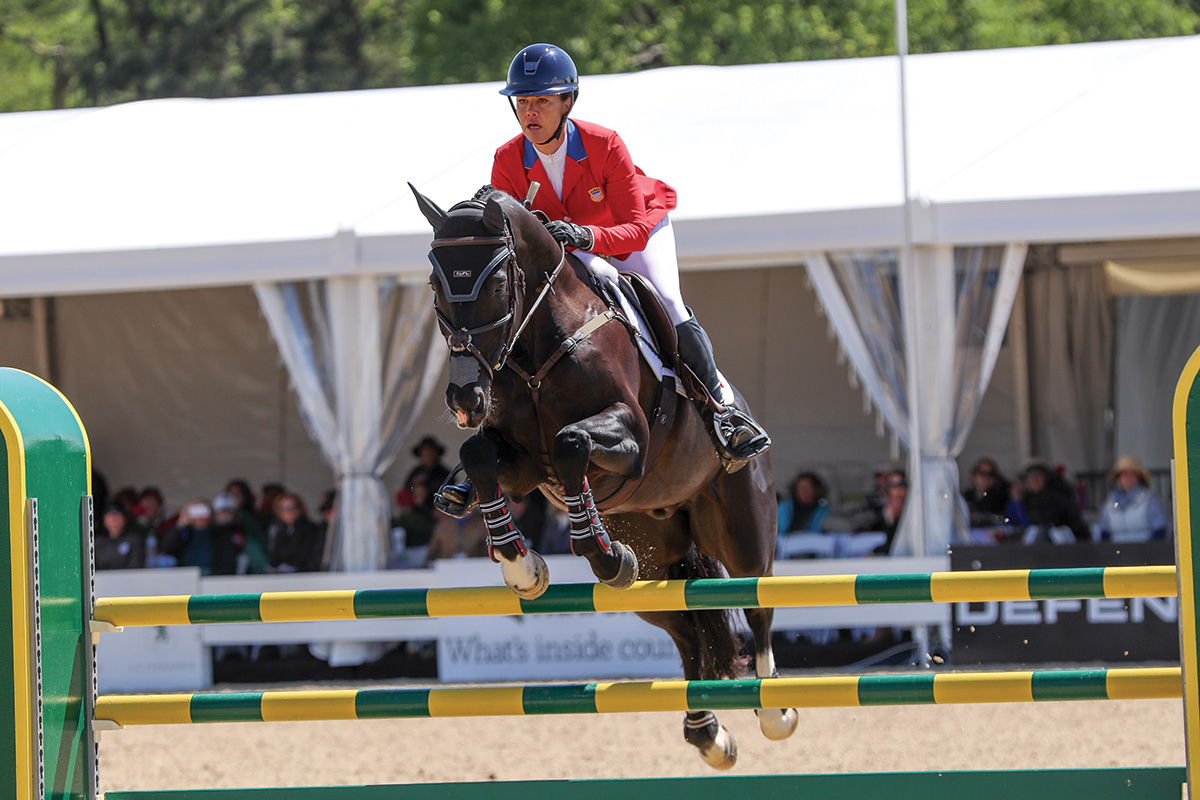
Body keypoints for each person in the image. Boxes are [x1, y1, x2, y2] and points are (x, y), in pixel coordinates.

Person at [490, 42, 769, 468]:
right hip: (572, 251)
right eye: (522, 101)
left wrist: (586, 235)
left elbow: (634, 229)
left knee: (668, 302)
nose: (530, 111)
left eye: (542, 101)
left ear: (567, 101)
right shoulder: (507, 159)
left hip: (634, 233)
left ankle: (722, 410)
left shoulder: (603, 143)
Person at [1005, 459, 1090, 543]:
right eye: (1030, 477)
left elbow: (1040, 522)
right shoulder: (1028, 498)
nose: (1034, 481)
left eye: (1037, 477)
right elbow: (1010, 520)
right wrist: (1018, 501)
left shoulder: (1056, 497)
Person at [1098, 455, 1168, 542]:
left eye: (1132, 474)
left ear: (1138, 477)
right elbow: (1104, 532)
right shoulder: (1110, 503)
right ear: (1118, 478)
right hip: (1116, 552)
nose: (1128, 478)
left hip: (1145, 552)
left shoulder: (1149, 500)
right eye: (1124, 474)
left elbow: (1160, 530)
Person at [266, 492, 324, 573]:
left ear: (300, 509)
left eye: (293, 507)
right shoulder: (279, 530)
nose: (289, 511)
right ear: (278, 512)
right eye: (284, 508)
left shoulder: (311, 529)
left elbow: (307, 557)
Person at [855, 469, 907, 553]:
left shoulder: (913, 512)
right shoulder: (882, 512)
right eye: (891, 485)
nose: (895, 489)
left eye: (900, 484)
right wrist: (889, 520)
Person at [94, 502, 146, 570]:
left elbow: (136, 566)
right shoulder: (98, 542)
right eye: (110, 516)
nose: (114, 520)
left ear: (125, 518)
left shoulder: (134, 539)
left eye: (117, 515)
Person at [405, 436, 451, 510]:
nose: (427, 454)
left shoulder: (443, 472)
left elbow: (447, 490)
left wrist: (426, 489)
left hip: (436, 508)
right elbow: (407, 487)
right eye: (424, 452)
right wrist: (414, 484)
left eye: (430, 451)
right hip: (416, 509)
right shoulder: (417, 471)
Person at [963, 457, 1011, 527]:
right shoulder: (966, 496)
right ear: (974, 475)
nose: (986, 477)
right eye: (982, 473)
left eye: (991, 474)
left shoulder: (1002, 497)